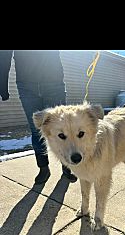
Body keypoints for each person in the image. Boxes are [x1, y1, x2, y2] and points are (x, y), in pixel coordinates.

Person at [0, 50, 77, 184]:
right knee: (36, 130)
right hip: (26, 85)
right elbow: (4, 54)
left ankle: (67, 167)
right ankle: (43, 168)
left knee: (63, 128)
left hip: (53, 82)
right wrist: (2, 86)